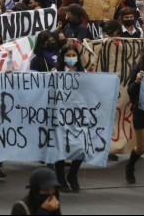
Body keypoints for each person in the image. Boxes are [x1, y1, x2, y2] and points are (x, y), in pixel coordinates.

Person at [54, 44, 85, 193]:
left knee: (80, 146)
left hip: (78, 115)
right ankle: (60, 178)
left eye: (74, 55)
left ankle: (73, 175)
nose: (71, 58)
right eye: (69, 55)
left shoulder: (82, 72)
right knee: (60, 147)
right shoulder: (56, 72)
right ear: (63, 57)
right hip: (60, 115)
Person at [126, 46, 144, 184]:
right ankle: (130, 166)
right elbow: (130, 90)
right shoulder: (140, 67)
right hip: (141, 111)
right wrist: (137, 81)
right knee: (141, 147)